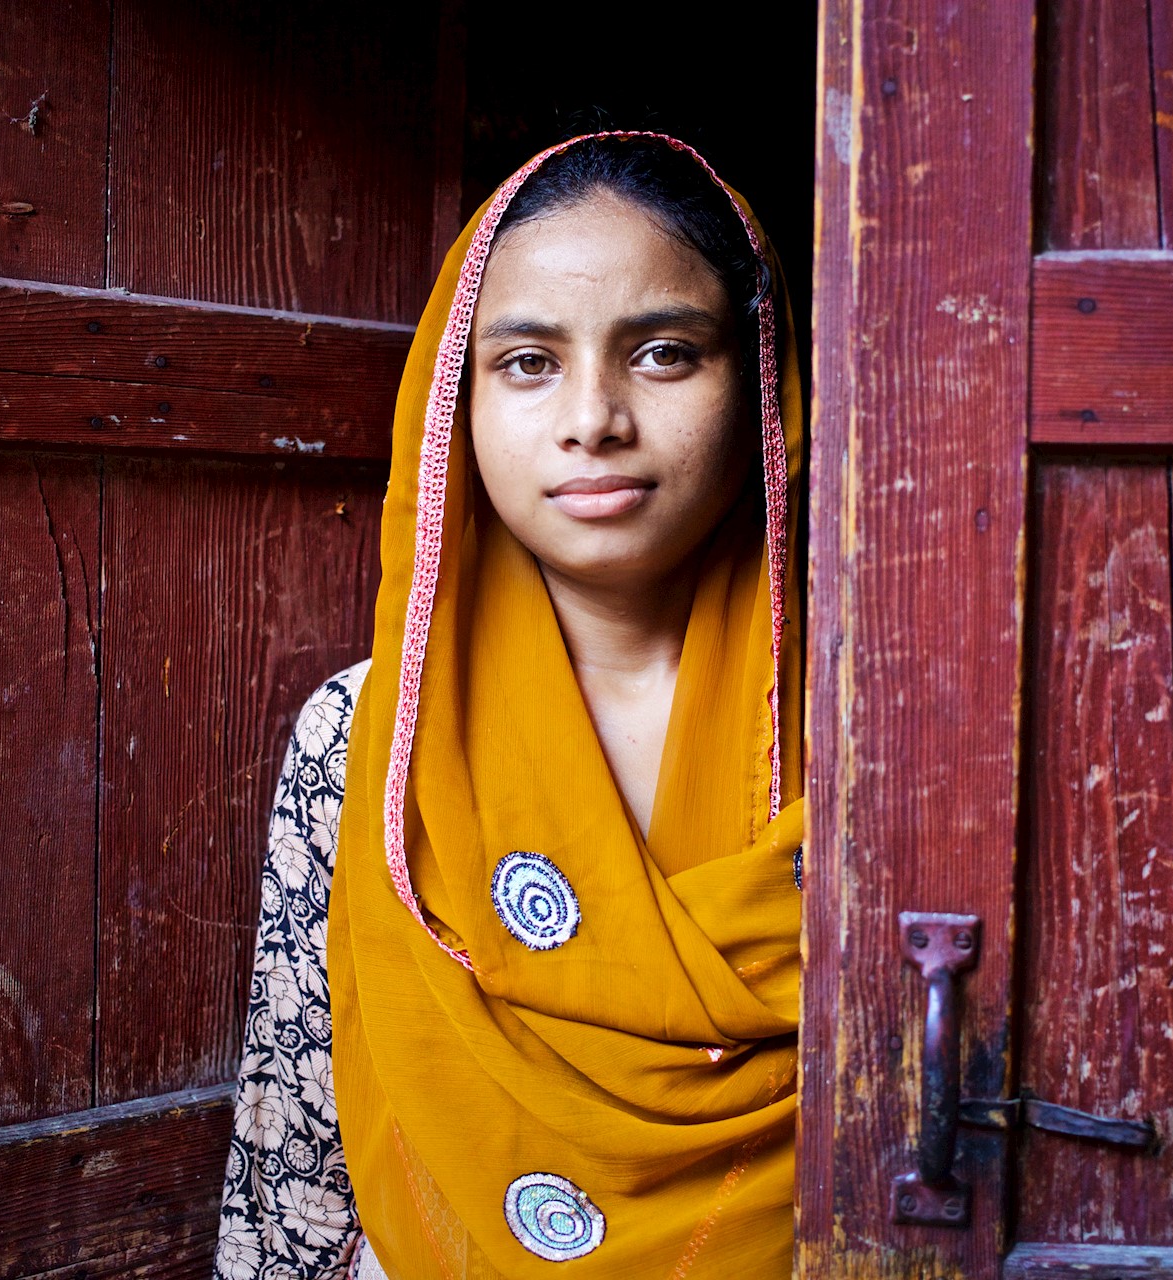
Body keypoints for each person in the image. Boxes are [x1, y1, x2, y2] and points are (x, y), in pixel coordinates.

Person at [215, 131, 806, 1279]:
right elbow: (294, 1145)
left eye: (665, 353)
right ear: (456, 398)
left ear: (763, 380)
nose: (593, 416)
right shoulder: (366, 734)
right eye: (529, 361)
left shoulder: (875, 731)